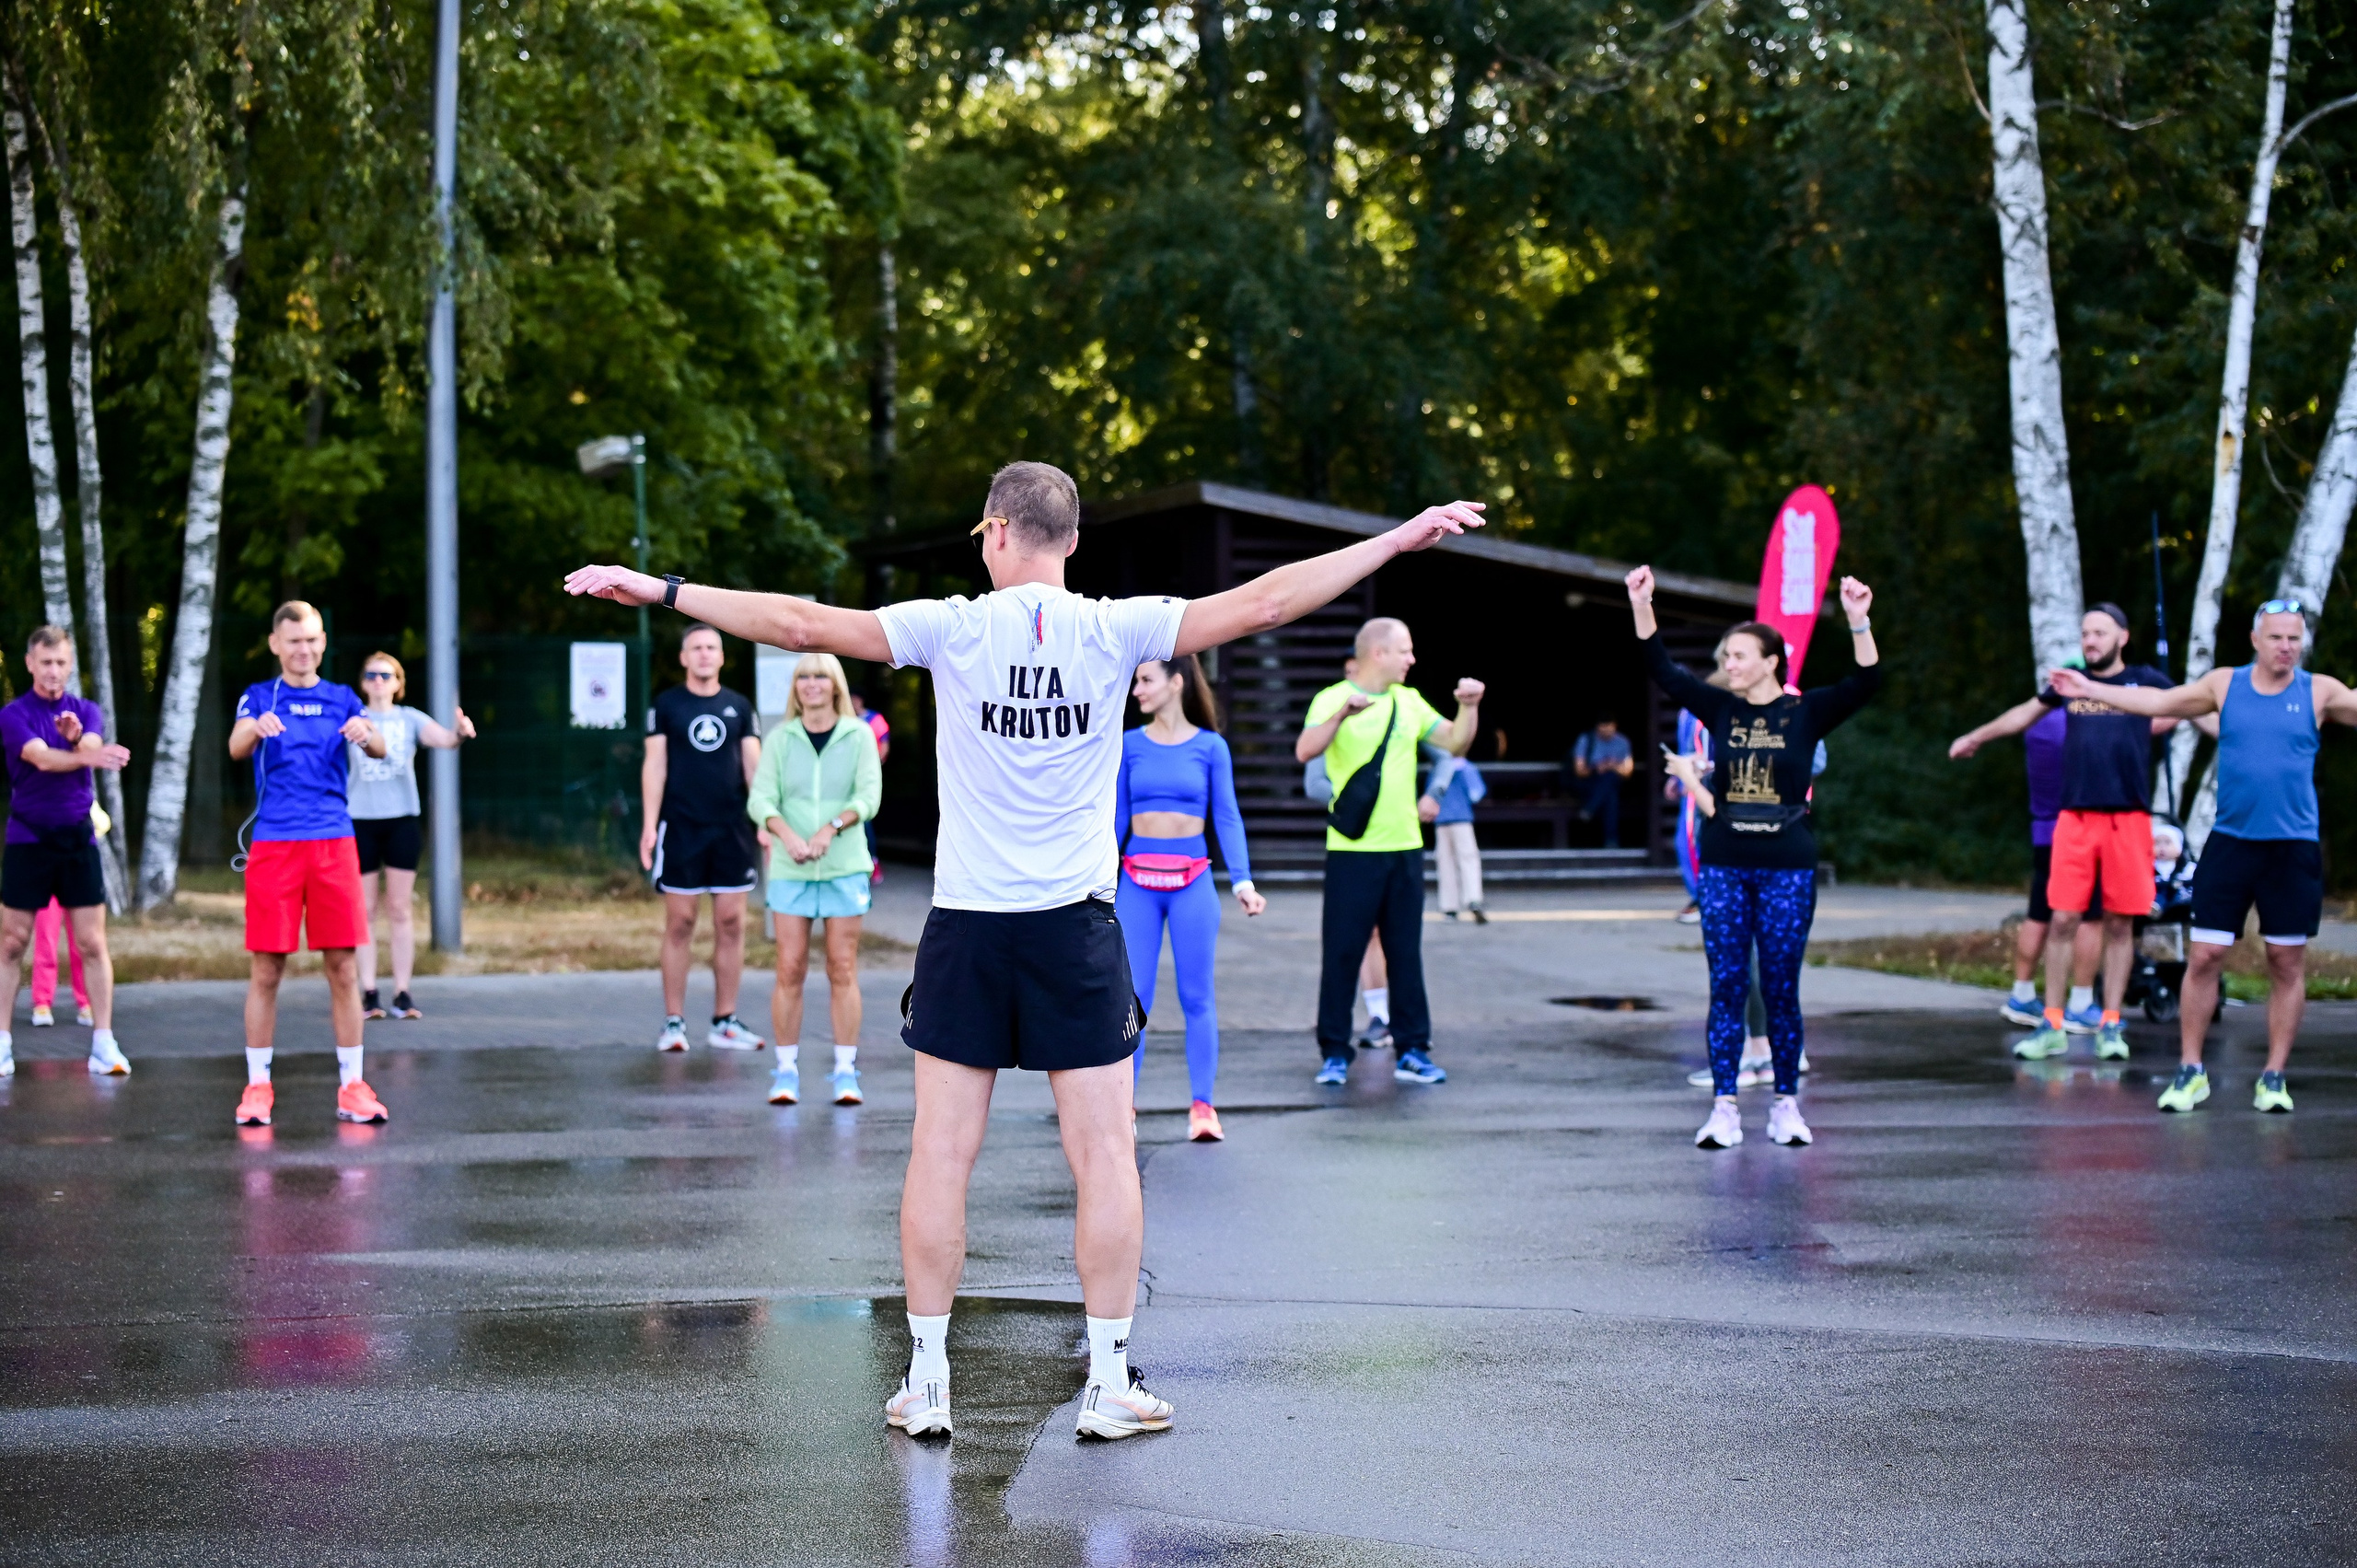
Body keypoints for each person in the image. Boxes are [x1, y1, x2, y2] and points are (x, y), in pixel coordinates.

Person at [565, 459, 1486, 1443]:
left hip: (968, 925)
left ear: (997, 532)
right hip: (1073, 929)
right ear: (1073, 541)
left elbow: (798, 622)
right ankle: (1105, 1380)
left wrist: (659, 588)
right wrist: (1393, 538)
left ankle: (926, 1381)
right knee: (1104, 1154)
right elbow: (1263, 604)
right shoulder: (1114, 626)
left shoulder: (952, 625)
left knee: (941, 1152)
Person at [2047, 600, 2357, 1113]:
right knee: (2207, 955)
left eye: (2294, 639)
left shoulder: (2317, 690)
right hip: (2230, 845)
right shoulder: (2224, 685)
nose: (2285, 647)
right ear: (2256, 640)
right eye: (2276, 637)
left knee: (2285, 961)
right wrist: (2090, 688)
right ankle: (2191, 1070)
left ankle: (2274, 1077)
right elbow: (2155, 702)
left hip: (2292, 849)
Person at [1628, 565, 1881, 1150]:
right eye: (1726, 655)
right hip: (1724, 863)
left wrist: (1859, 620)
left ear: (1771, 661)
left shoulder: (1807, 713)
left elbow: (1867, 681)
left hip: (1788, 863)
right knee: (1727, 984)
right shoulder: (1721, 709)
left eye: (1739, 655)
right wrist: (1643, 605)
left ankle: (1786, 1106)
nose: (1729, 664)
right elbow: (1662, 668)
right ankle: (1724, 1109)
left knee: (1782, 985)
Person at [1950, 605, 2174, 1063]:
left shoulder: (2144, 680)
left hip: (2128, 819)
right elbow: (2022, 714)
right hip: (2074, 818)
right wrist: (1976, 736)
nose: (2090, 640)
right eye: (2086, 632)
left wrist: (2235, 727)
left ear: (2122, 638)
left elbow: (2194, 704)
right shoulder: (2069, 683)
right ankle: (2052, 1022)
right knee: (2064, 920)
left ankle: (2110, 1023)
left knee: (2118, 923)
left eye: (2100, 633)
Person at [1298, 618, 1484, 1087]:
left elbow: (1454, 742)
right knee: (1342, 953)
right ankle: (1334, 1053)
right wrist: (1342, 716)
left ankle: (1414, 1050)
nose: (1412, 659)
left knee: (1405, 952)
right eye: (1405, 650)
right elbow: (1305, 751)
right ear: (1378, 653)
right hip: (1352, 851)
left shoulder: (1409, 701)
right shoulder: (1330, 698)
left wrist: (1470, 707)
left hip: (1404, 849)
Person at [227, 602, 389, 1127]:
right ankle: (257, 1088)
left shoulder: (341, 697)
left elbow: (381, 744)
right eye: (294, 640)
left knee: (343, 968)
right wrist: (255, 729)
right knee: (267, 969)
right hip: (275, 844)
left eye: (313, 640)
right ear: (276, 644)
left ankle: (353, 1088)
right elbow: (234, 745)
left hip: (333, 842)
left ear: (323, 643)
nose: (304, 649)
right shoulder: (258, 696)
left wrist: (368, 737)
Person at [1115, 653, 1265, 1143]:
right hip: (1136, 884)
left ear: (1176, 683)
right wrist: (1089, 883)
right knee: (1133, 1000)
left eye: (1145, 680)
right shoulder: (1129, 745)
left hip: (1193, 885)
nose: (1137, 690)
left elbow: (1227, 817)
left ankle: (1203, 1107)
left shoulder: (1211, 747)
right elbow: (1114, 821)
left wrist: (1242, 881)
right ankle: (1124, 1110)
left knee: (1196, 996)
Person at [749, 651, 882, 1108]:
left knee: (842, 967)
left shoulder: (859, 734)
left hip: (844, 866)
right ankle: (785, 1071)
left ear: (835, 685)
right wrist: (786, 836)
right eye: (803, 677)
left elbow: (869, 796)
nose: (811, 684)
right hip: (791, 867)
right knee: (790, 968)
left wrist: (831, 829)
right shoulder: (781, 738)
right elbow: (761, 799)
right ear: (795, 688)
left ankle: (846, 1071)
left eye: (820, 677)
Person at [0, 626, 130, 1080]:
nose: (54, 671)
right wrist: (84, 755)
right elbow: (40, 758)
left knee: (92, 943)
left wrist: (78, 740)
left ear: (70, 665)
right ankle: (2, 1044)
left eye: (61, 663)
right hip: (28, 839)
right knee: (12, 942)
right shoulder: (14, 714)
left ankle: (103, 1042)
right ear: (30, 664)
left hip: (78, 838)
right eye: (46, 662)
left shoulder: (85, 710)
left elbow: (91, 744)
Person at [643, 623, 767, 1052]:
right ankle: (674, 1023)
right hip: (680, 828)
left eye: (711, 647)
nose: (704, 654)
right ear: (683, 657)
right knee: (680, 923)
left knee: (730, 924)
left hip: (731, 830)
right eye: (695, 647)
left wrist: (766, 820)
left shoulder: (738, 706)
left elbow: (754, 768)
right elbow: (654, 767)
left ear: (722, 656)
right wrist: (648, 825)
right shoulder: (667, 705)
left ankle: (725, 1021)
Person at [347, 652, 474, 1020]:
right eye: (371, 674)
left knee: (399, 909)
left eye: (386, 675)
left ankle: (402, 992)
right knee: (365, 909)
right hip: (360, 821)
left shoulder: (409, 719)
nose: (378, 681)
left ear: (398, 683)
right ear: (362, 682)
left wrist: (460, 733)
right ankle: (369, 992)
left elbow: (446, 740)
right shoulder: (352, 719)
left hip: (402, 820)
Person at [2002, 702, 2104, 1029]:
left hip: (2042, 831)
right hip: (2077, 830)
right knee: (2091, 917)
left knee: (2038, 913)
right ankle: (2081, 1001)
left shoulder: (2036, 724)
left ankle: (2022, 992)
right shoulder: (2079, 724)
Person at [1421, 745, 1487, 922]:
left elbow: (1431, 792)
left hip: (1441, 820)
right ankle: (1473, 898)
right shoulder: (1467, 768)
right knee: (1468, 859)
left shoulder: (1437, 769)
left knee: (1445, 862)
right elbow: (1476, 793)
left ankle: (1449, 906)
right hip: (1462, 819)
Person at [29, 894, 93, 1028]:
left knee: (82, 942)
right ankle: (42, 1002)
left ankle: (86, 1001)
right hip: (48, 881)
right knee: (46, 939)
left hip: (75, 877)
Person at [1569, 718, 1635, 847]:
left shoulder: (1622, 742)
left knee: (1610, 781)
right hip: (1589, 783)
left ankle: (1589, 809)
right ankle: (1611, 840)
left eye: (1609, 725)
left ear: (1614, 725)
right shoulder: (1587, 740)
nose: (1606, 729)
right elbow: (1579, 771)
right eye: (1602, 725)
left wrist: (1612, 766)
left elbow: (1627, 772)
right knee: (1610, 794)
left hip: (1611, 783)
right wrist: (1597, 767)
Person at [852, 687, 891, 883]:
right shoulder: (843, 718)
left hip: (866, 777)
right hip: (846, 777)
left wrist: (872, 766)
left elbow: (884, 746)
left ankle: (872, 864)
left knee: (864, 819)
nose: (852, 702)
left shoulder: (874, 719)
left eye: (855, 698)